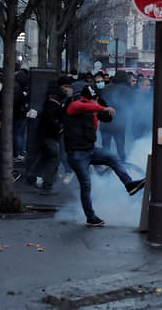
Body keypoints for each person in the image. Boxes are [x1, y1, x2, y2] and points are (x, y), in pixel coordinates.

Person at [64, 84, 145, 227]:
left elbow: (107, 117)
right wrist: (102, 108)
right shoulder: (75, 105)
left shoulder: (95, 108)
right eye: (94, 99)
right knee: (86, 185)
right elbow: (84, 107)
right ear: (88, 98)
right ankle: (90, 217)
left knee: (112, 157)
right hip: (77, 154)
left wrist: (104, 110)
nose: (96, 102)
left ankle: (129, 184)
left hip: (90, 150)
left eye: (97, 99)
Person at [27, 76, 73, 195]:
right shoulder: (54, 99)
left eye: (69, 87)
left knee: (44, 156)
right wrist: (60, 128)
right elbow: (51, 117)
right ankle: (47, 185)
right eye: (65, 86)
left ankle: (31, 177)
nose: (67, 89)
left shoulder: (58, 98)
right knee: (54, 158)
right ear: (60, 86)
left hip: (48, 133)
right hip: (48, 133)